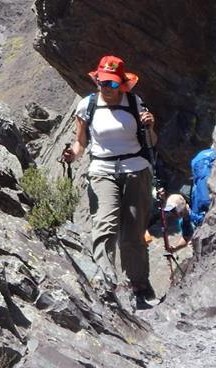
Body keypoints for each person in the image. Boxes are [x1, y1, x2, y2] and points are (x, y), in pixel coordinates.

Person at [62, 55, 157, 306]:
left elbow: (151, 142)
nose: (107, 88)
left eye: (113, 83)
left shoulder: (134, 103)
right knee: (105, 225)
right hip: (102, 169)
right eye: (103, 82)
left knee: (134, 232)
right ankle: (105, 284)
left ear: (122, 84)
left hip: (136, 169)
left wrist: (150, 127)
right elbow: (80, 142)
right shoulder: (87, 105)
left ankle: (139, 285)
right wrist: (72, 154)